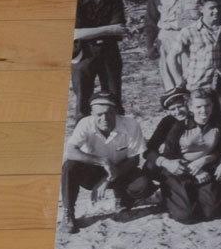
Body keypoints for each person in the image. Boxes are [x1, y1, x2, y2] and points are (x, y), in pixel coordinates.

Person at [59, 94, 152, 234]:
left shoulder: (131, 124)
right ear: (92, 114)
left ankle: (122, 197)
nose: (104, 118)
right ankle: (68, 213)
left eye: (109, 113)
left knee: (143, 185)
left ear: (116, 112)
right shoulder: (85, 123)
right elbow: (70, 151)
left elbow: (134, 160)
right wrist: (103, 161)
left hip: (121, 170)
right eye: (99, 114)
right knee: (69, 166)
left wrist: (107, 179)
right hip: (93, 171)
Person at [146, 88, 221, 224]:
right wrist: (168, 163)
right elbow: (160, 152)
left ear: (187, 105)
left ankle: (197, 193)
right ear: (192, 106)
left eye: (180, 106)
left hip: (203, 166)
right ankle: (169, 194)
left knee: (212, 211)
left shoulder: (217, 121)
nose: (178, 112)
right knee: (185, 215)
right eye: (172, 109)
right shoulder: (173, 124)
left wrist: (215, 159)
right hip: (179, 167)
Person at [170, 0, 221, 121]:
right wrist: (178, 80)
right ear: (201, 9)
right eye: (211, 8)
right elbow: (172, 56)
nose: (216, 11)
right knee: (199, 116)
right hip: (198, 82)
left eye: (218, 7)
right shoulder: (189, 31)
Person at [71, 0, 126, 116]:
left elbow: (120, 29)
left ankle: (117, 127)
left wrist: (89, 32)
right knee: (83, 99)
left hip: (109, 51)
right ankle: (83, 128)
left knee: (114, 97)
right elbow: (75, 34)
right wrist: (109, 29)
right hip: (83, 53)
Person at [144, 0, 203, 91]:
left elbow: (213, 12)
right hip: (167, 39)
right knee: (171, 81)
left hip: (194, 39)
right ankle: (175, 103)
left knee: (195, 79)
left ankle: (197, 104)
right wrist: (149, 45)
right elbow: (150, 20)